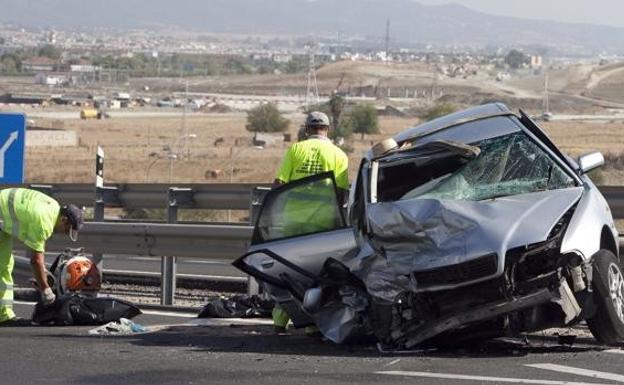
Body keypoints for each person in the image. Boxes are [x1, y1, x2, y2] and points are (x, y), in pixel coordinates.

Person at [272, 111, 349, 333]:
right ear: (328, 129)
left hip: (293, 221)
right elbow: (341, 194)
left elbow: (279, 182)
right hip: (322, 224)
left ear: (307, 129)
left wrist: (272, 209)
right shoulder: (339, 155)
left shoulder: (297, 149)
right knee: (317, 274)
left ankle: (280, 320)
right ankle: (312, 325)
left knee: (287, 271)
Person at [0, 188, 84, 326]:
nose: (64, 233)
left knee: (4, 265)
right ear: (64, 219)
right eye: (66, 229)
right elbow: (36, 261)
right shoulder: (44, 222)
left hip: (3, 218)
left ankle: (3, 315)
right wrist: (45, 289)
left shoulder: (53, 206)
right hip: (2, 215)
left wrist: (42, 273)